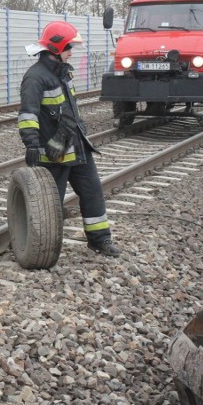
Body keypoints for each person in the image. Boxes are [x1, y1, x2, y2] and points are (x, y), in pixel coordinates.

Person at [17, 21, 121, 257]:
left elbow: (70, 111)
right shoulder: (35, 78)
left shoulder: (63, 73)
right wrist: (31, 143)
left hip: (77, 147)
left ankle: (100, 240)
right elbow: (28, 114)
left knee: (93, 191)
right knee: (51, 205)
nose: (71, 52)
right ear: (55, 49)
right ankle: (45, 247)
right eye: (68, 48)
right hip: (55, 154)